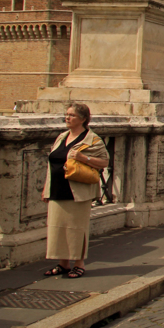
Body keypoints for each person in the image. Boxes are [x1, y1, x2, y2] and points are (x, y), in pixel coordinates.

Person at [42, 102, 110, 279]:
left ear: (83, 119)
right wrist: (46, 189)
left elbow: (104, 162)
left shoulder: (92, 139)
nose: (67, 118)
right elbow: (52, 163)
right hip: (57, 188)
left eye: (72, 115)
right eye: (66, 114)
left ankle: (79, 264)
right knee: (58, 228)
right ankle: (63, 263)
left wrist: (83, 157)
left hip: (78, 191)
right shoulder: (61, 137)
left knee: (76, 228)